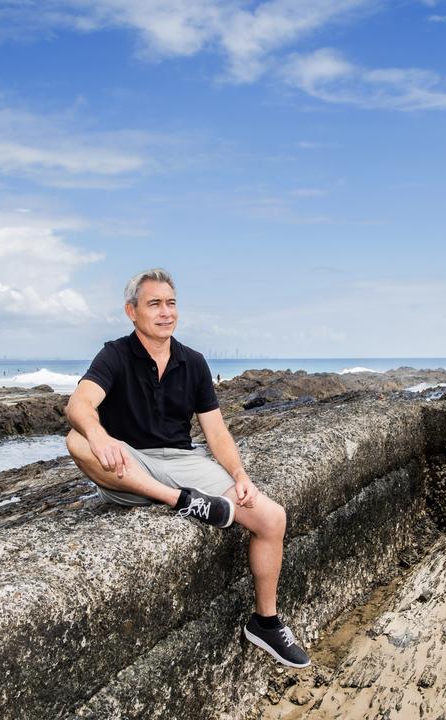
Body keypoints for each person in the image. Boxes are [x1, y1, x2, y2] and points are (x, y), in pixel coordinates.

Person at [64, 268, 311, 669]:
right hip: (129, 465)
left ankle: (265, 622)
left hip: (183, 460)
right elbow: (78, 406)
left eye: (171, 303)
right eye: (154, 304)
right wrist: (99, 435)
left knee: (272, 517)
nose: (166, 312)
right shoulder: (114, 354)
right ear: (132, 311)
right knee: (76, 439)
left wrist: (240, 477)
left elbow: (216, 432)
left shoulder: (193, 362)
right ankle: (179, 501)